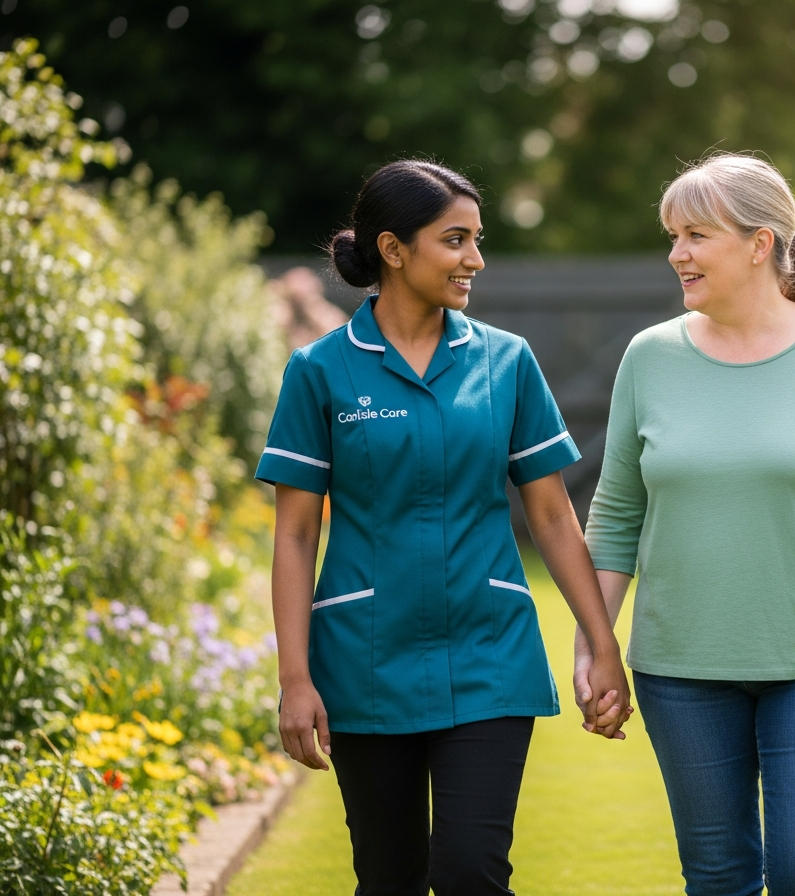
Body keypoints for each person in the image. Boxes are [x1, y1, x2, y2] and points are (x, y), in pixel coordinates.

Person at [258, 160, 631, 896]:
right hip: (365, 662)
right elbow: (296, 535)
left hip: (490, 654)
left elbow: (553, 514)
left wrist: (602, 642)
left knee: (472, 872)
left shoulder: (506, 361)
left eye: (477, 240)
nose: (475, 260)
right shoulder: (321, 370)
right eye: (455, 240)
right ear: (393, 249)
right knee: (389, 877)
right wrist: (295, 679)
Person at [576, 153, 795, 896]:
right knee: (718, 878)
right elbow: (616, 515)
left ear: (761, 244)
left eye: (696, 234)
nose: (677, 254)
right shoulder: (649, 357)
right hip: (680, 669)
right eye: (672, 235)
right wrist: (595, 645)